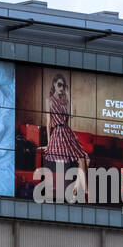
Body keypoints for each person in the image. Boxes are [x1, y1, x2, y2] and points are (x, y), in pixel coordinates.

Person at [42, 72, 88, 200]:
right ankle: (78, 190)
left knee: (84, 158)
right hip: (58, 133)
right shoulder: (49, 101)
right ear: (54, 85)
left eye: (63, 86)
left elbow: (72, 115)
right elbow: (47, 122)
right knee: (74, 161)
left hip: (67, 132)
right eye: (59, 85)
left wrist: (69, 95)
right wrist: (48, 142)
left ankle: (77, 189)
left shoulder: (64, 101)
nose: (62, 88)